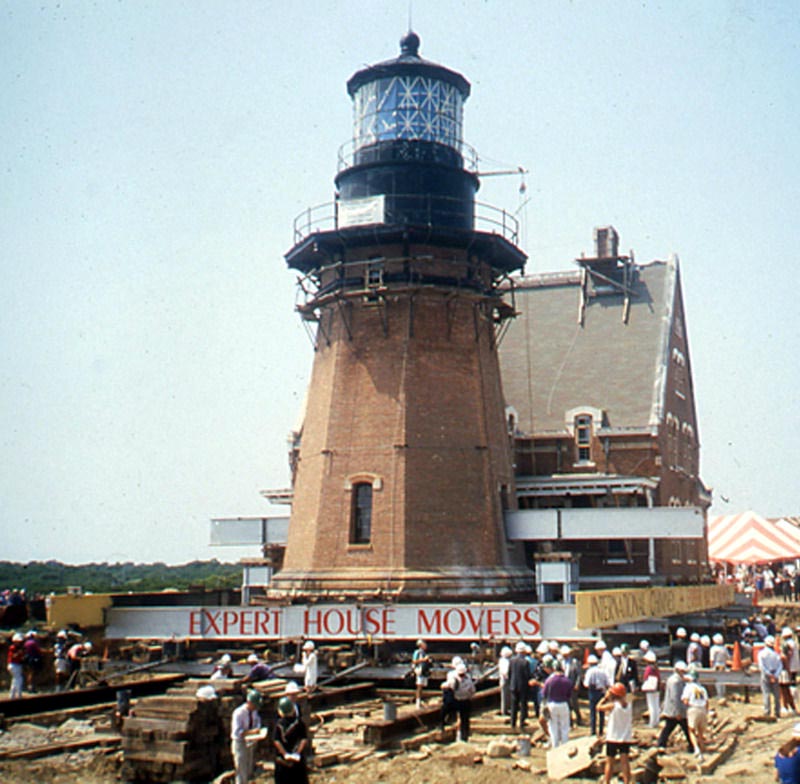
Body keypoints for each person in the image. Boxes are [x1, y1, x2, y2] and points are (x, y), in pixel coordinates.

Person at [597, 682, 633, 784]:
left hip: (613, 737)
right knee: (625, 762)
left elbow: (598, 707)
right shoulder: (629, 705)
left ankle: (607, 781)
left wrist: (605, 698)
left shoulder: (613, 706)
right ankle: (627, 782)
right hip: (625, 737)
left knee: (609, 762)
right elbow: (629, 697)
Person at [656, 661, 693, 752]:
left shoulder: (674, 679)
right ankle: (691, 745)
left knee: (670, 727)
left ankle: (661, 744)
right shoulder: (675, 682)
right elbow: (675, 698)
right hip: (675, 711)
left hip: (673, 710)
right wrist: (678, 712)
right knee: (680, 728)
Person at [273, 695, 309, 784]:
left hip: (282, 762)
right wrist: (297, 753)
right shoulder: (299, 723)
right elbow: (303, 740)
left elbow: (276, 741)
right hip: (297, 761)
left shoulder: (278, 725)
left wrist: (285, 754)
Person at [231, 689, 263, 784]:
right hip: (240, 743)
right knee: (241, 769)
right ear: (249, 702)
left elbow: (257, 722)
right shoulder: (239, 713)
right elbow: (237, 732)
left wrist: (257, 730)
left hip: (250, 742)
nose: (256, 708)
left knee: (249, 768)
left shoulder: (254, 712)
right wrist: (251, 732)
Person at [441, 660, 475, 741]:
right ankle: (464, 736)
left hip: (457, 701)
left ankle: (443, 723)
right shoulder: (468, 680)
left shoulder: (453, 679)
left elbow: (446, 686)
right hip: (466, 701)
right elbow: (473, 691)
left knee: (445, 709)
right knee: (465, 720)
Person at [542, 659, 573, 748]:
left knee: (553, 727)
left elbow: (544, 693)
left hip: (552, 704)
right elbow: (569, 694)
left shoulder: (549, 680)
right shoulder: (567, 681)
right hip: (563, 704)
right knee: (565, 727)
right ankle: (565, 746)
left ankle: (555, 747)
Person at [681, 667, 709, 761]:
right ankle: (702, 747)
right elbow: (707, 702)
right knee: (701, 731)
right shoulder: (702, 688)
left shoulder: (688, 687)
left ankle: (696, 749)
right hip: (702, 709)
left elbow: (685, 700)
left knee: (692, 730)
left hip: (693, 708)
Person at [584, 653, 611, 736]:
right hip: (601, 692)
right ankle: (601, 730)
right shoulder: (602, 671)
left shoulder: (590, 671)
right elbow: (608, 683)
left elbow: (586, 684)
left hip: (593, 692)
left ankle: (593, 731)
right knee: (601, 712)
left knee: (593, 712)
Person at [760, 634, 783, 719]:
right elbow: (780, 666)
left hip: (766, 675)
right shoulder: (776, 654)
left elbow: (762, 666)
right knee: (776, 695)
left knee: (766, 694)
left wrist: (769, 674)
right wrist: (775, 675)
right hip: (775, 674)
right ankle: (777, 712)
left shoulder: (761, 653)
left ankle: (767, 712)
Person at [509, 641, 530, 730]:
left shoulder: (512, 660)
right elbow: (527, 675)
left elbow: (509, 673)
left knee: (514, 705)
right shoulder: (525, 662)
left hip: (513, 685)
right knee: (523, 704)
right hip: (523, 686)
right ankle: (522, 722)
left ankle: (512, 722)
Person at [562, 644, 583, 726]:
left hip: (572, 685)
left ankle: (578, 718)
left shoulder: (575, 662)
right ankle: (569, 720)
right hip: (564, 686)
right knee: (566, 704)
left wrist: (577, 684)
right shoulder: (561, 662)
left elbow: (579, 674)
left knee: (574, 703)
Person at [640, 650, 661, 728]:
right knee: (656, 705)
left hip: (650, 688)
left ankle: (652, 723)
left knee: (651, 705)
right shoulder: (656, 668)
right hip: (656, 688)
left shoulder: (648, 668)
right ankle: (656, 721)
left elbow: (645, 677)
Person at [412, 639, 432, 709]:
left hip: (424, 671)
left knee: (423, 686)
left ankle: (421, 701)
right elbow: (414, 661)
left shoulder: (424, 653)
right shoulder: (417, 652)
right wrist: (424, 660)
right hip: (419, 671)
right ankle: (417, 702)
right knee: (419, 687)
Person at [7, 632, 25, 699]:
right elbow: (13, 656)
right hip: (14, 665)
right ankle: (19, 694)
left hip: (16, 665)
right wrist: (19, 653)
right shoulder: (13, 648)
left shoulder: (17, 648)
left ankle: (12, 695)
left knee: (15, 680)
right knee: (19, 679)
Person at [498, 645, 512, 717]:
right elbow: (505, 671)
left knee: (507, 695)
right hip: (505, 680)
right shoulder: (504, 661)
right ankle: (504, 710)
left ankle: (506, 709)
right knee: (504, 696)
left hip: (505, 679)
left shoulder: (503, 660)